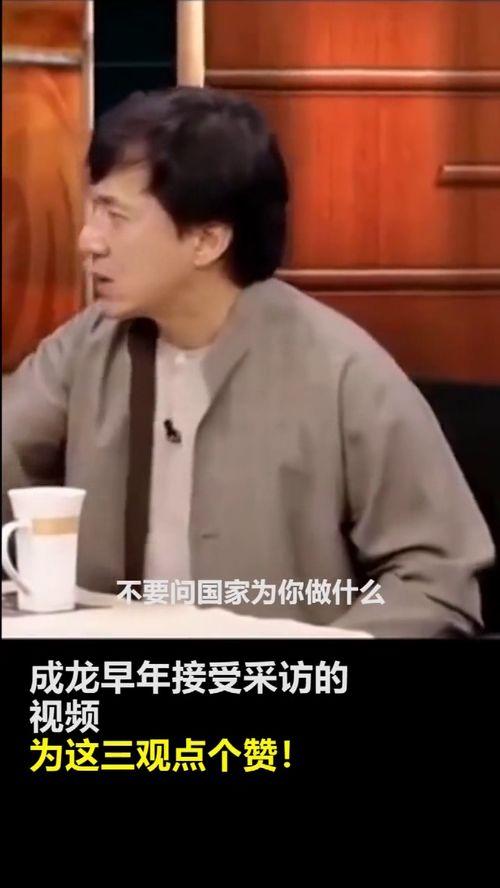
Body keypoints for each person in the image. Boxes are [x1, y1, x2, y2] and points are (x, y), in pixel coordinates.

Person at [2, 86, 494, 636]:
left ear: (207, 240)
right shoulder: (88, 345)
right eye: (93, 209)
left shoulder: (342, 371)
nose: (87, 241)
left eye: (115, 215)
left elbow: (436, 581)